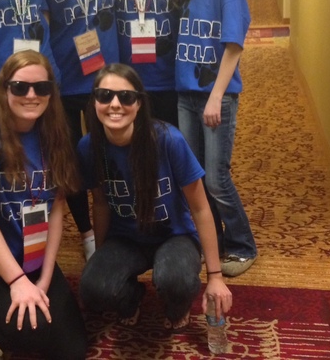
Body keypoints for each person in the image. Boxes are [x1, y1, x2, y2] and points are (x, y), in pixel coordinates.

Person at [0, 50, 87, 360]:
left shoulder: (54, 134)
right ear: (3, 89)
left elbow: (55, 209)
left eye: (41, 88)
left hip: (35, 257)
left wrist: (46, 276)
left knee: (72, 349)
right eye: (20, 87)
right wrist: (18, 282)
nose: (31, 95)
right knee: (32, 331)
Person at [78, 63, 232, 330]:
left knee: (177, 281)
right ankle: (132, 297)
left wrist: (216, 275)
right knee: (93, 288)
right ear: (94, 103)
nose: (115, 104)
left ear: (138, 103)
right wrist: (103, 262)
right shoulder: (89, 146)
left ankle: (176, 308)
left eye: (125, 97)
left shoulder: (168, 140)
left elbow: (200, 209)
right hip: (125, 238)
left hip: (175, 236)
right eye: (105, 96)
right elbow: (101, 204)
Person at [170, 0, 258, 277]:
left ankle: (242, 246)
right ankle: (214, 243)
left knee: (216, 178)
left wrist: (215, 96)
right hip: (185, 94)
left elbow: (234, 46)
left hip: (214, 96)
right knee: (194, 176)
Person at [42, 0, 121, 259]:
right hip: (63, 78)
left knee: (108, 158)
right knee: (69, 162)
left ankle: (113, 231)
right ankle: (88, 235)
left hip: (107, 78)